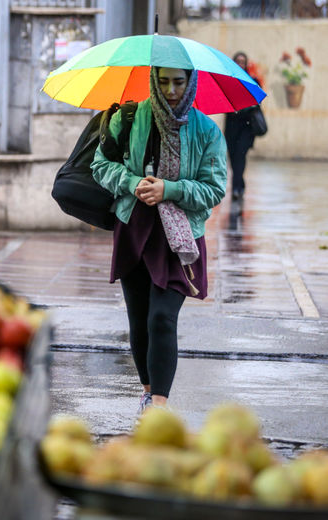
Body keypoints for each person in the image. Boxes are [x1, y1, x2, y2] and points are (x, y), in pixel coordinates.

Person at [91, 67, 227, 413]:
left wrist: (170, 189)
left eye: (178, 82)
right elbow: (100, 164)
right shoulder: (128, 117)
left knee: (162, 317)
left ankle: (160, 405)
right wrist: (130, 181)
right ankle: (148, 392)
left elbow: (214, 189)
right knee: (139, 318)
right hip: (135, 227)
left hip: (179, 237)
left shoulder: (207, 130)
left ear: (190, 82)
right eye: (163, 81)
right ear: (153, 80)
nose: (170, 90)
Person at [224, 52, 259, 201]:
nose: (240, 64)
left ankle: (237, 188)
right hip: (232, 127)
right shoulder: (228, 81)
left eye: (242, 62)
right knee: (233, 158)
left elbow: (257, 102)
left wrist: (243, 107)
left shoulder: (252, 81)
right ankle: (239, 184)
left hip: (246, 128)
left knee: (240, 156)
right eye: (237, 61)